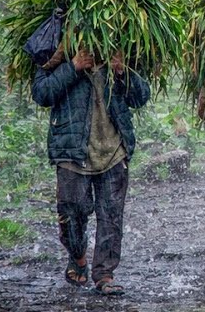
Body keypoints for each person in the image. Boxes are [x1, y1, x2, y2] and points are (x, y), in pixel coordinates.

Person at [32, 48, 150, 296]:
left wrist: (123, 71)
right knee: (71, 214)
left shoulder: (120, 47)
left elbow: (141, 98)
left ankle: (104, 275)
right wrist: (73, 67)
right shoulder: (56, 48)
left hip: (114, 150)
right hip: (71, 151)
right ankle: (78, 257)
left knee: (111, 216)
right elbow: (42, 94)